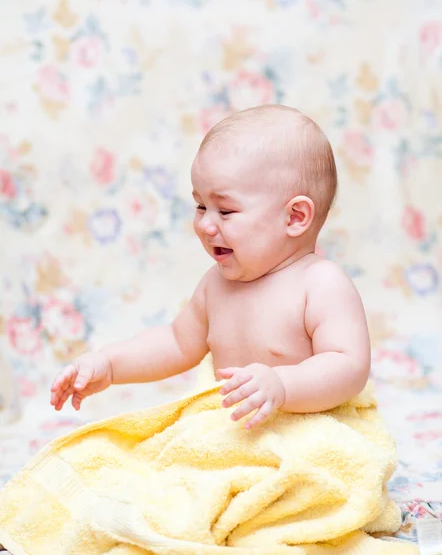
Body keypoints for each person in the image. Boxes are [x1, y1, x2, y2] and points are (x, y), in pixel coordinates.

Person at [50, 104, 371, 430]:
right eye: (201, 206)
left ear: (295, 217)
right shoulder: (215, 286)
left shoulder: (319, 284)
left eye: (226, 211)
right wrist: (109, 363)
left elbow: (348, 366)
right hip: (238, 432)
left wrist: (283, 385)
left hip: (308, 429)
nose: (205, 224)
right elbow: (175, 343)